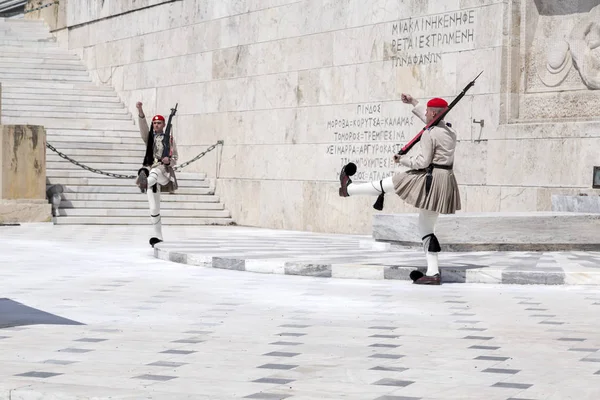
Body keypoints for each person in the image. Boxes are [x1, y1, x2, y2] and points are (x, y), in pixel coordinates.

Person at [338, 94, 461, 285]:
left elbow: (423, 161)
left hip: (430, 178)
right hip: (445, 180)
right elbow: (432, 121)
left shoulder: (429, 133)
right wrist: (413, 102)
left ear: (435, 113)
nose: (426, 113)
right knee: (426, 227)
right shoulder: (449, 132)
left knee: (393, 181)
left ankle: (350, 189)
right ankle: (433, 272)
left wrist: (401, 159)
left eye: (428, 111)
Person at [135, 101, 179, 248]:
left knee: (154, 171)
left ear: (164, 125)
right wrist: (140, 111)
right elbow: (143, 129)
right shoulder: (150, 139)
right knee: (154, 208)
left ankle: (145, 181)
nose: (156, 125)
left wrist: (168, 161)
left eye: (159, 123)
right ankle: (158, 237)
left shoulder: (170, 140)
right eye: (155, 123)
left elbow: (175, 159)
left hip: (164, 173)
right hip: (153, 174)